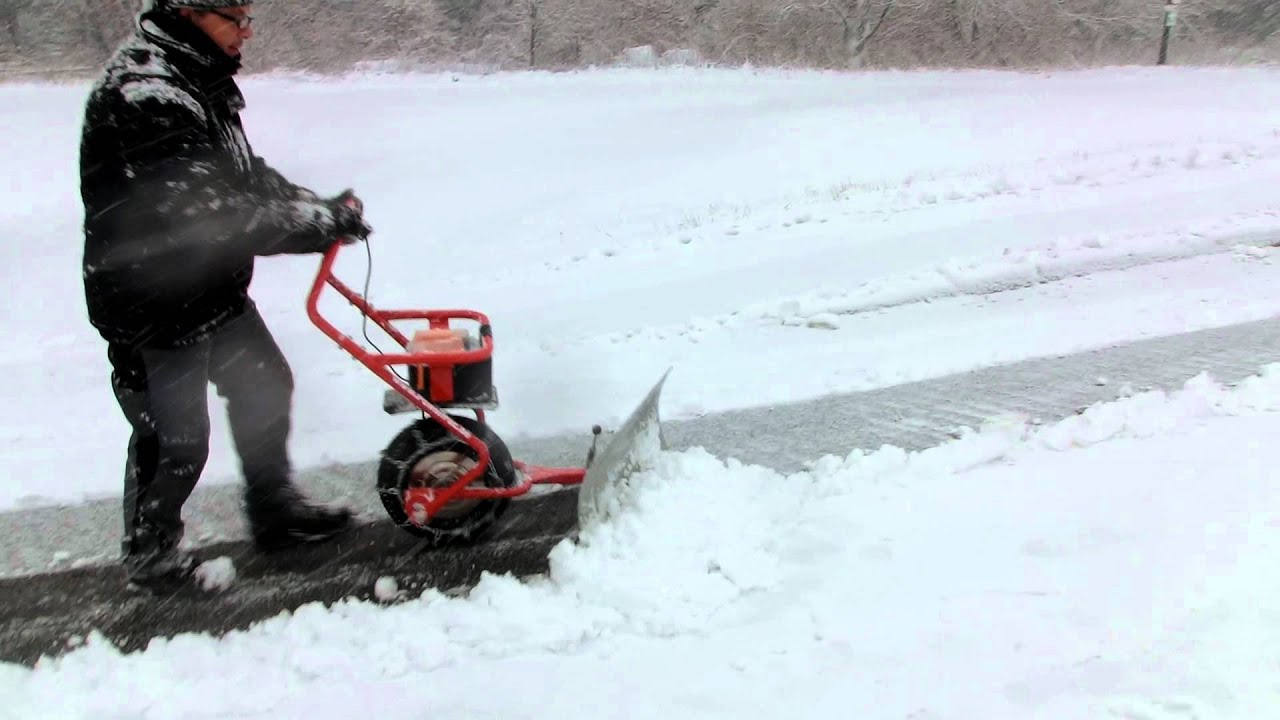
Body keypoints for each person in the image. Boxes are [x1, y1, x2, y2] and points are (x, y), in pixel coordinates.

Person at [78, 0, 373, 592]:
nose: (246, 31)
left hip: (209, 289)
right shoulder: (146, 96)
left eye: (248, 17)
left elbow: (242, 174)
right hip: (153, 304)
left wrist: (318, 207)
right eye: (234, 18)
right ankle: (152, 555)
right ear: (189, 12)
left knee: (265, 383)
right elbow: (216, 216)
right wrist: (316, 227)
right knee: (176, 440)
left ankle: (275, 510)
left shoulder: (196, 79)